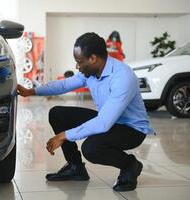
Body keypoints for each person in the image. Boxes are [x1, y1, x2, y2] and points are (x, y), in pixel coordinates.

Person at [17, 32, 154, 192]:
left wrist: (64, 135)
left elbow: (103, 123)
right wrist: (32, 91)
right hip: (108, 120)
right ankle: (76, 168)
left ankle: (130, 165)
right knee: (57, 113)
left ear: (93, 58)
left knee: (91, 148)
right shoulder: (91, 72)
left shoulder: (122, 77)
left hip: (131, 130)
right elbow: (63, 85)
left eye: (79, 62)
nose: (77, 67)